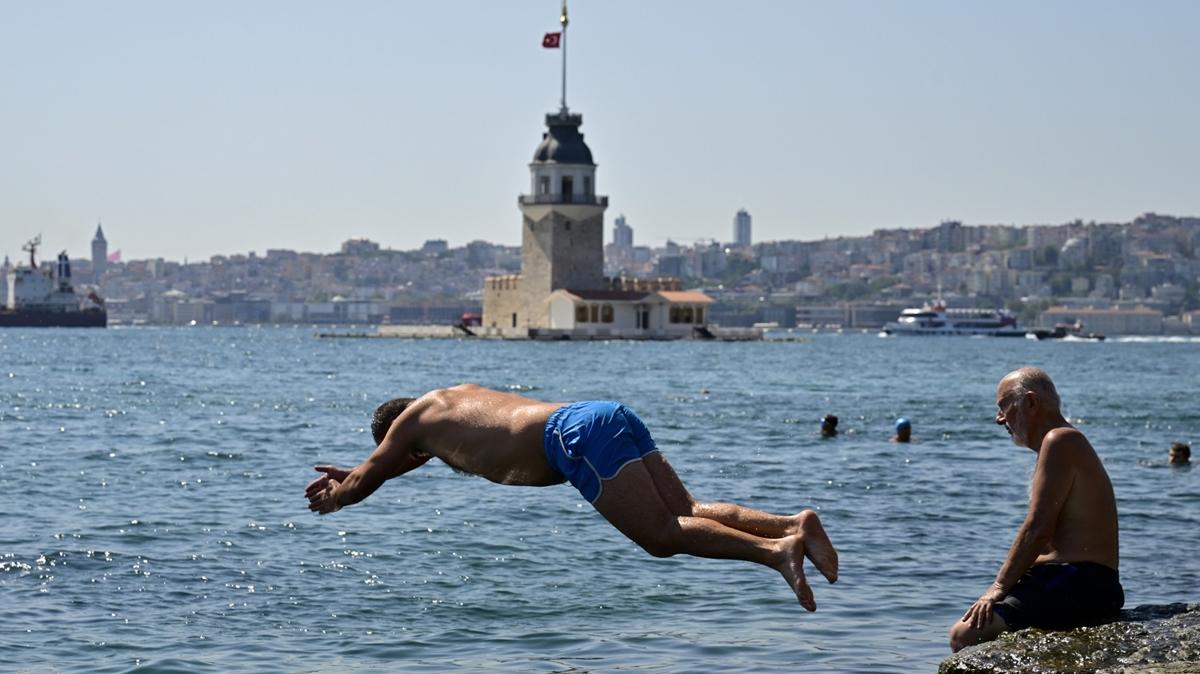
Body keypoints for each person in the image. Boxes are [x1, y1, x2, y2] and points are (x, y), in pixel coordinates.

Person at [305, 384, 839, 610]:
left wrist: (338, 496)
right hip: (598, 415)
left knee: (661, 536)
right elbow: (397, 464)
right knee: (688, 513)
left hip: (572, 440)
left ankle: (776, 552)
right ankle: (794, 525)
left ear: (399, 436)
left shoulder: (411, 426)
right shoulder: (444, 405)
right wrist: (368, 470)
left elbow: (373, 475)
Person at [949, 367, 1123, 652]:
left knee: (964, 635)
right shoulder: (1059, 444)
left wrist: (998, 587)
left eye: (1004, 406)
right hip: (1076, 580)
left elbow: (1038, 528)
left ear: (1030, 402)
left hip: (1081, 581)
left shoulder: (1060, 440)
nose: (999, 419)